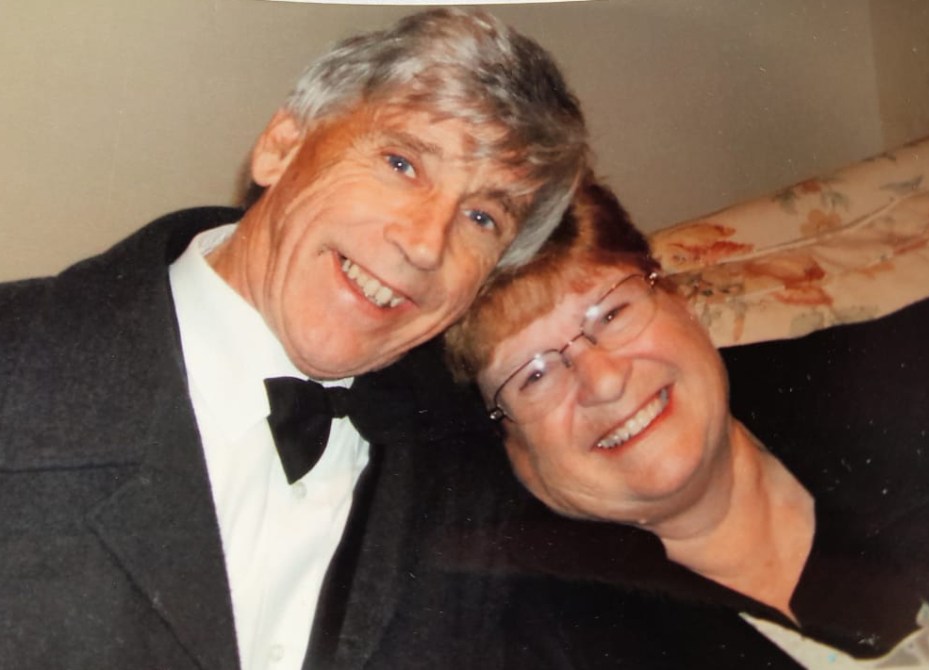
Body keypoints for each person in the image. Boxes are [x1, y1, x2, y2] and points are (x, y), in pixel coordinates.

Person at [0, 9, 588, 669]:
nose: (426, 245)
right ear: (281, 146)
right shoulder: (18, 361)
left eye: (481, 217)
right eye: (401, 162)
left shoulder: (471, 478)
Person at [446, 174, 929, 668]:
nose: (603, 381)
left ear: (677, 297)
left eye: (612, 311)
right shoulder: (531, 642)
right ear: (508, 447)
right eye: (534, 375)